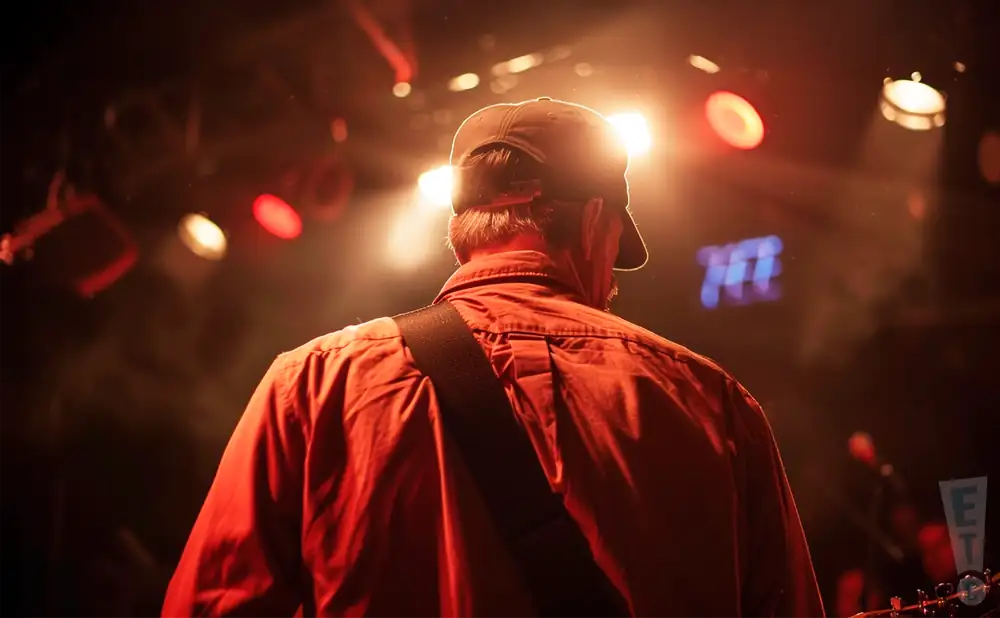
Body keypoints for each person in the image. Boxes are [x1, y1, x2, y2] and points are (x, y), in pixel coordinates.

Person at [162, 97, 825, 618]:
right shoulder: (712, 405)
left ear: (463, 233)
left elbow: (213, 605)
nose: (613, 279)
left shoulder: (312, 384)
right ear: (595, 222)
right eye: (615, 246)